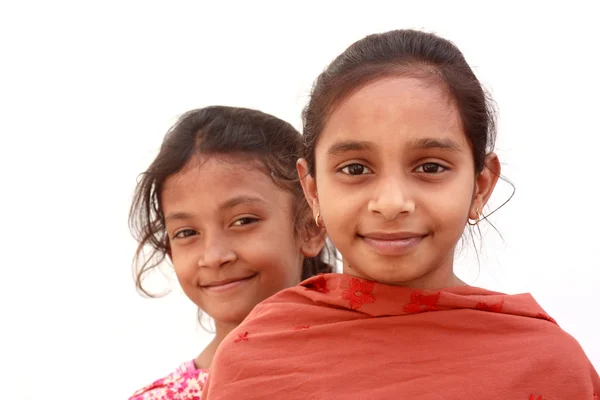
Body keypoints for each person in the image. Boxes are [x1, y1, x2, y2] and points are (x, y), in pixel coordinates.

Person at [202, 30, 600, 399]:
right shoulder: (253, 363)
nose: (392, 202)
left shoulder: (547, 367)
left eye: (430, 167)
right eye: (355, 169)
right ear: (313, 190)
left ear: (480, 187)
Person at [128, 106, 332, 400]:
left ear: (310, 227)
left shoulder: (373, 365)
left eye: (243, 221)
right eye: (187, 233)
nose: (213, 256)